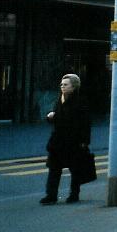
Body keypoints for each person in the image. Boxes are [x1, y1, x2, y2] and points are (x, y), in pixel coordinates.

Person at [41, 73, 92, 204]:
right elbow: (57, 118)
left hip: (73, 141)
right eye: (61, 85)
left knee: (75, 169)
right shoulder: (60, 99)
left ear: (74, 86)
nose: (62, 87)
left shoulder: (81, 101)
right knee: (54, 168)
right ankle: (51, 195)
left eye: (65, 84)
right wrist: (50, 117)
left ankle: (74, 194)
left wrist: (84, 141)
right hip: (57, 141)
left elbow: (85, 123)